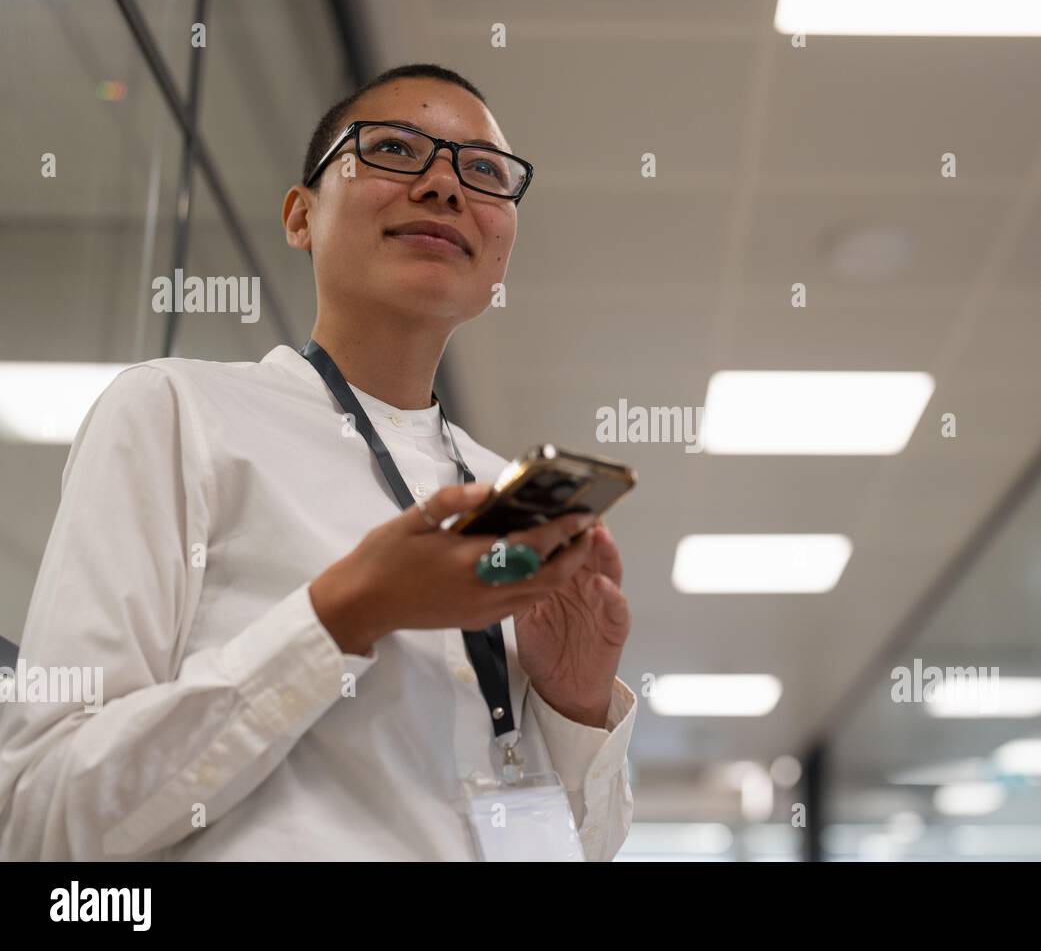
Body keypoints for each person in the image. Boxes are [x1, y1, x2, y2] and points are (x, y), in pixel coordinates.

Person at [0, 63, 637, 860]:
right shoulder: (176, 412)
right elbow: (38, 816)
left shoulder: (498, 491)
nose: (445, 186)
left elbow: (570, 845)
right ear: (301, 216)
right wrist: (345, 613)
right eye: (395, 149)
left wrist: (572, 704)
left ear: (501, 252)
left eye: (483, 172)